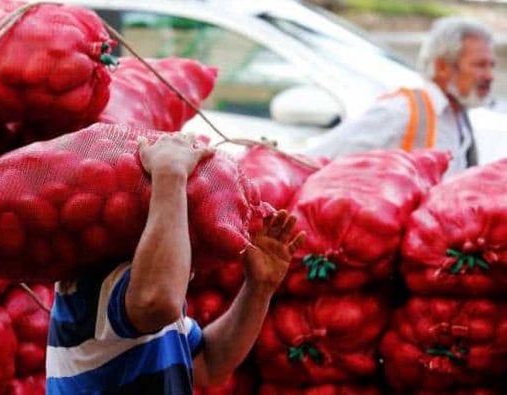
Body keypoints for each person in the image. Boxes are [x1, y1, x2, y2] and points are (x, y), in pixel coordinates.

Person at [45, 133, 305, 394]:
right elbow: (157, 301)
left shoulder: (144, 291)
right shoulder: (98, 283)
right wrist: (170, 176)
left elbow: (210, 364)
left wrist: (259, 288)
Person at [306, 16, 496, 175]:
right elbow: (314, 161)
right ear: (442, 67)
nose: (489, 75)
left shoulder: (459, 116)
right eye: (479, 65)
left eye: (491, 65)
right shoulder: (401, 111)